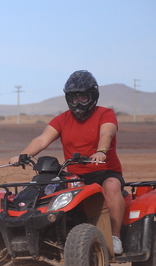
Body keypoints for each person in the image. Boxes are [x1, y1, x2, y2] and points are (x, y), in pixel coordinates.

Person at [9, 70, 125, 254]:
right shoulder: (62, 119)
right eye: (74, 98)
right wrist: (22, 155)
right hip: (74, 176)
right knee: (48, 192)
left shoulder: (105, 114)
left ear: (93, 97)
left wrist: (101, 152)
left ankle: (115, 237)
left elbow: (107, 133)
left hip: (104, 171)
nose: (78, 103)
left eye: (83, 98)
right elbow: (42, 140)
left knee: (111, 186)